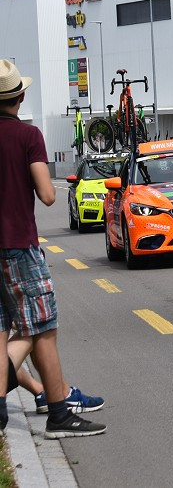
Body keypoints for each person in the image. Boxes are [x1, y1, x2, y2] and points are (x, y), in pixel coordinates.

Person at [0, 60, 106, 438]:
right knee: (42, 327)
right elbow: (48, 195)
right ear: (21, 95)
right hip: (17, 246)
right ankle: (59, 414)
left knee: (3, 329)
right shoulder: (28, 136)